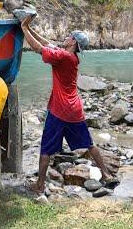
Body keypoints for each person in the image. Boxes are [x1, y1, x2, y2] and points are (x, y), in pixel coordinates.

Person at [20, 15, 117, 195]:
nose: (65, 37)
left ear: (72, 42)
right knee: (89, 144)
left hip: (59, 109)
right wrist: (27, 27)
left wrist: (24, 29)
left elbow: (39, 48)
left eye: (68, 36)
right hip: (74, 110)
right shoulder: (71, 57)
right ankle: (106, 174)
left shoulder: (63, 57)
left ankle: (39, 185)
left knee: (46, 148)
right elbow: (48, 43)